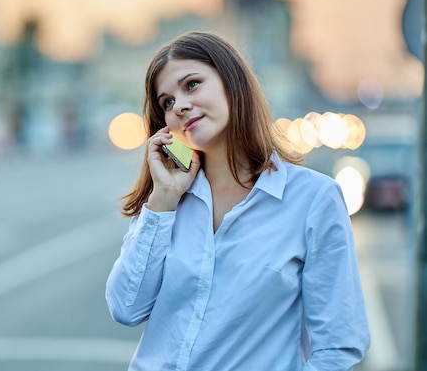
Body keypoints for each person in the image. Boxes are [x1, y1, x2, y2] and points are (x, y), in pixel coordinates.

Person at [105, 31, 370, 370]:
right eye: (167, 102)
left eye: (192, 85)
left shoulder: (313, 199)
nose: (180, 106)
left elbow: (338, 345)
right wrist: (164, 199)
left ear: (232, 82)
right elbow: (126, 308)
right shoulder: (167, 201)